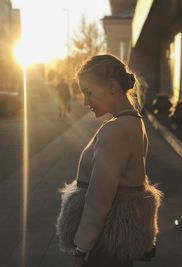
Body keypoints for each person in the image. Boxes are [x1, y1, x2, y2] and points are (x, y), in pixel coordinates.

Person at [56, 54, 163, 267]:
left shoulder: (114, 131)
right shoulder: (135, 122)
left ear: (113, 86)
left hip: (103, 244)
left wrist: (81, 248)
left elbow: (99, 198)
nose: (85, 102)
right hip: (118, 240)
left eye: (89, 93)